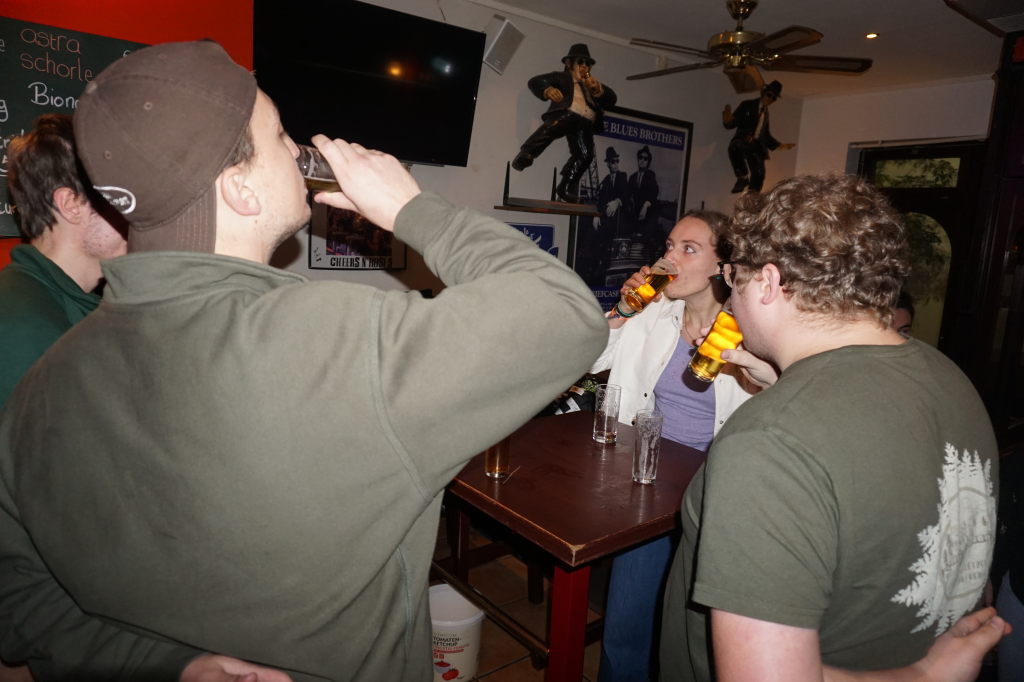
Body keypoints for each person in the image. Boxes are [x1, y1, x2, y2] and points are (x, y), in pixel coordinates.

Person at [0, 40, 608, 682]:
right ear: (239, 189)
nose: (295, 150)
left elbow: (20, 597)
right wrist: (413, 210)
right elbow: (565, 312)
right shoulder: (346, 343)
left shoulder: (46, 380)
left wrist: (172, 666)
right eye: (278, 133)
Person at [660, 173, 1004, 681]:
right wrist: (786, 387)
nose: (729, 299)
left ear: (768, 282)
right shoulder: (949, 377)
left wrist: (927, 676)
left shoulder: (769, 442)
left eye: (733, 277)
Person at [0, 113, 289, 682]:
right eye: (122, 200)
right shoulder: (24, 326)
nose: (144, 217)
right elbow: (59, 529)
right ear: (71, 204)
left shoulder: (88, 306)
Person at [589, 210, 766, 682]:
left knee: (695, 636)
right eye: (669, 246)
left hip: (718, 492)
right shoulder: (652, 312)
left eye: (689, 249)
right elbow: (589, 360)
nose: (669, 258)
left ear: (723, 266)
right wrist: (622, 311)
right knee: (626, 622)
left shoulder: (750, 330)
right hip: (647, 485)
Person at [511, 43, 617, 203]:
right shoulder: (562, 77)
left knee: (586, 155)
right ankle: (527, 153)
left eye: (587, 64)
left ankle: (565, 187)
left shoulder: (592, 85)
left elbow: (612, 99)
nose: (584, 67)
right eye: (580, 62)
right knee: (550, 129)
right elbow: (535, 81)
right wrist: (547, 90)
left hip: (585, 122)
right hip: (568, 113)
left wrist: (599, 89)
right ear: (569, 63)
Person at [722, 79, 795, 194]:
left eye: (774, 98)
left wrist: (779, 146)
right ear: (763, 92)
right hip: (744, 140)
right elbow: (733, 122)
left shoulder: (765, 113)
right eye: (769, 95)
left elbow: (765, 134)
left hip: (757, 146)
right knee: (735, 147)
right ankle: (742, 177)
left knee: (759, 173)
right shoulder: (747, 105)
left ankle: (753, 196)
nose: (770, 99)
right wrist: (728, 120)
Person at [627, 146, 660, 261]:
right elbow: (627, 194)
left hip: (649, 213)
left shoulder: (651, 175)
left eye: (645, 159)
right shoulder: (632, 177)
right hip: (635, 214)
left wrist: (646, 205)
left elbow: (654, 191)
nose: (642, 160)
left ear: (648, 162)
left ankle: (650, 262)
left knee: (648, 239)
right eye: (640, 157)